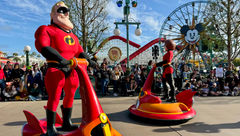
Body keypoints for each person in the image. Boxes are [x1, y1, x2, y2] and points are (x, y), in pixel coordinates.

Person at [34, 1, 95, 135]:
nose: (65, 13)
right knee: (55, 96)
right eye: (61, 10)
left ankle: (66, 122)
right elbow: (44, 46)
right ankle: (50, 128)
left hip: (71, 70)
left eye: (66, 10)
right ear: (53, 14)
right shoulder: (47, 29)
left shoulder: (73, 36)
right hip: (56, 68)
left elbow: (79, 51)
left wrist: (90, 60)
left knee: (71, 95)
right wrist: (61, 59)